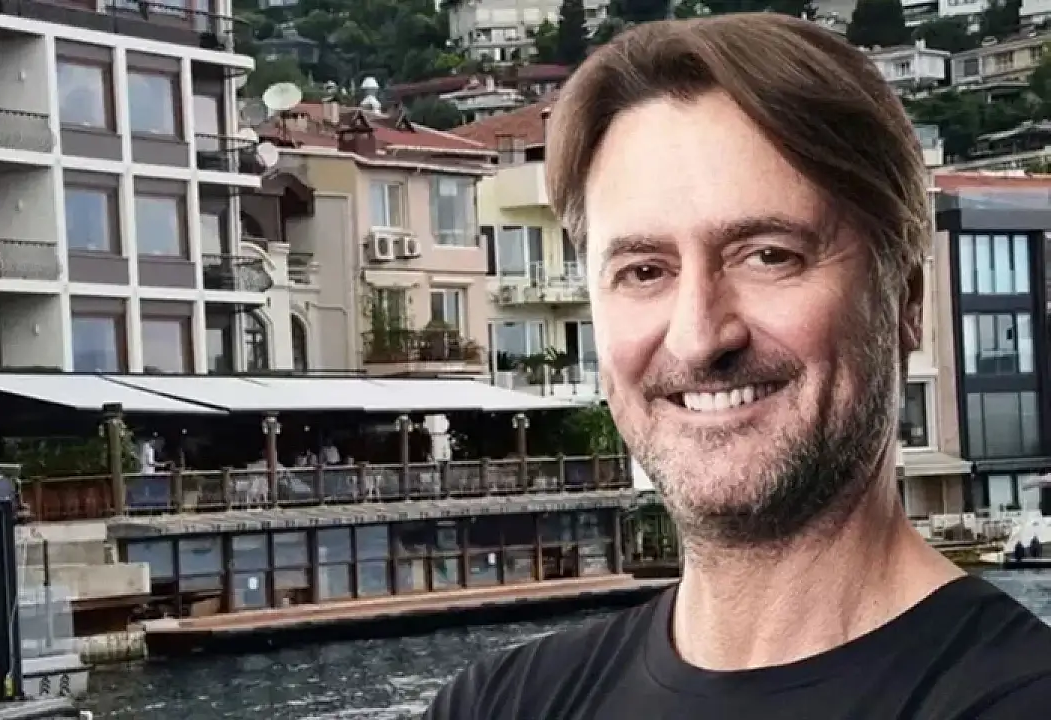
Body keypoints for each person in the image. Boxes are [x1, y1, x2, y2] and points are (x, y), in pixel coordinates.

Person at [425, 14, 1051, 720]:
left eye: (769, 256)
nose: (698, 338)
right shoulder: (498, 704)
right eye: (644, 270)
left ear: (905, 298)